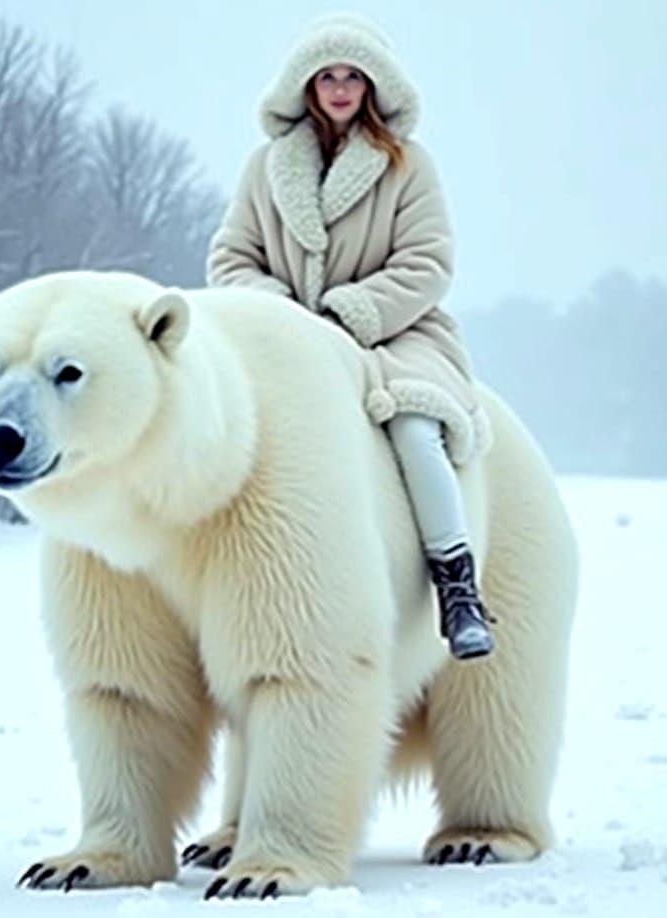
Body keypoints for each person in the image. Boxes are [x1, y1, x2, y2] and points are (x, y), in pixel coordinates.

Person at [206, 14, 495, 660]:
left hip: (397, 334)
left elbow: (427, 262)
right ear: (306, 86)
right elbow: (231, 259)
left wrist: (354, 311)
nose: (339, 88)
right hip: (291, 336)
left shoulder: (409, 165)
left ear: (372, 85)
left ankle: (458, 588)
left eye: (353, 76)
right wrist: (279, 313)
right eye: (327, 75)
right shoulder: (266, 168)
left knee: (415, 430)